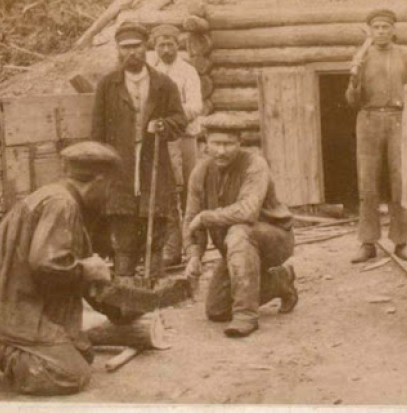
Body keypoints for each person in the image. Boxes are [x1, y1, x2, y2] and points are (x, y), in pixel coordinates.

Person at [0, 142, 121, 397]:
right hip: (10, 306)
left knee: (82, 354)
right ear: (97, 181)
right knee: (70, 375)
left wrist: (122, 307)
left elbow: (71, 273)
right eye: (109, 187)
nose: (109, 196)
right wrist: (87, 270)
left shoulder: (58, 197)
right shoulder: (62, 204)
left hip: (9, 301)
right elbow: (47, 264)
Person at [183, 119, 298, 338]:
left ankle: (246, 316)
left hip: (274, 240)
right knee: (216, 310)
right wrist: (193, 255)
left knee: (239, 231)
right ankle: (280, 281)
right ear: (206, 143)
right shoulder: (200, 172)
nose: (222, 150)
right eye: (216, 143)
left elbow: (247, 211)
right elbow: (190, 218)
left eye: (229, 144)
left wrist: (206, 217)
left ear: (240, 143)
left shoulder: (255, 164)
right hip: (236, 250)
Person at [91, 23, 187, 282]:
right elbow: (97, 132)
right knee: (122, 221)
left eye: (137, 47)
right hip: (119, 165)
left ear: (146, 48)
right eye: (126, 48)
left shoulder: (163, 84)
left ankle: (153, 279)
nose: (132, 53)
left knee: (154, 218)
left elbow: (180, 120)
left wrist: (163, 125)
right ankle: (124, 281)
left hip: (152, 160)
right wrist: (101, 169)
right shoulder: (107, 86)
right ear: (118, 50)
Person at [345, 8, 407, 264]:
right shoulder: (362, 56)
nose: (381, 32)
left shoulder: (406, 56)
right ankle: (367, 242)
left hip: (399, 120)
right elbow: (351, 101)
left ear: (394, 30)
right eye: (376, 27)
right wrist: (354, 81)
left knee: (400, 181)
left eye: (386, 27)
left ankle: (401, 241)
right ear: (371, 30)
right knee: (368, 182)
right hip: (368, 120)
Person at [149, 24, 204, 267]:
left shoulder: (188, 71)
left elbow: (195, 105)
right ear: (154, 46)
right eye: (161, 44)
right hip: (159, 140)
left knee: (188, 191)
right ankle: (169, 246)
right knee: (165, 190)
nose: (166, 48)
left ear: (178, 44)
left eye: (170, 43)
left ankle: (193, 245)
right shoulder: (150, 70)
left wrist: (171, 118)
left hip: (184, 137)